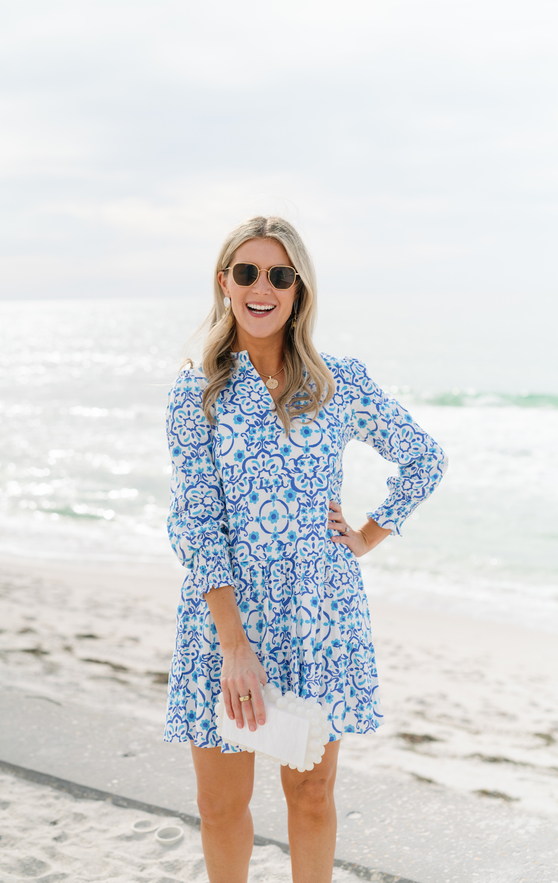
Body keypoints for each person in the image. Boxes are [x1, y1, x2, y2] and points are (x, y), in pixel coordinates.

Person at [164, 216, 447, 883]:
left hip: (317, 615)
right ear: (224, 283)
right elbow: (196, 522)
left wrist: (368, 535)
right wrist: (234, 643)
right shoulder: (195, 390)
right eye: (248, 272)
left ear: (299, 291)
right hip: (223, 620)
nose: (262, 287)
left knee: (312, 796)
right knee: (219, 804)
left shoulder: (336, 384)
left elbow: (424, 459)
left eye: (279, 275)